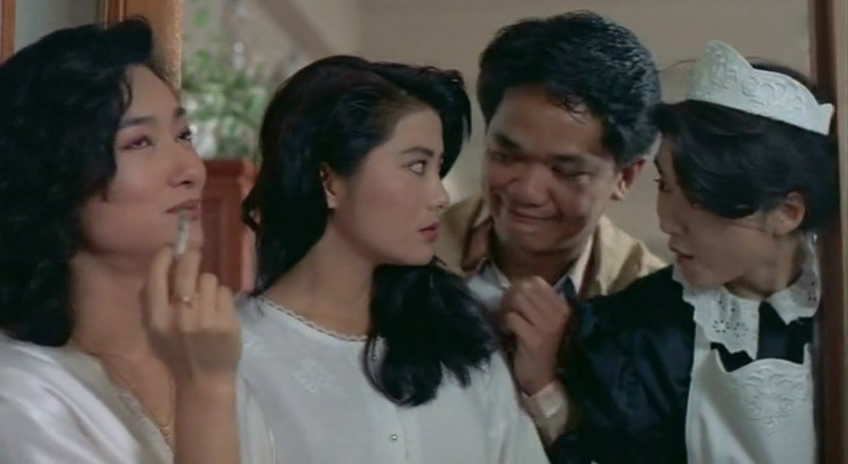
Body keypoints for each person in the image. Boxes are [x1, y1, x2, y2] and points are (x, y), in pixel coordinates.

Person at [237, 55, 549, 463]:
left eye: (438, 168)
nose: (440, 197)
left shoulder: (458, 337)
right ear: (329, 180)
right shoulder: (234, 353)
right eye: (417, 166)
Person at [0, 19, 274, 463]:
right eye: (140, 142)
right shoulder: (22, 396)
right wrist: (205, 393)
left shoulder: (211, 365)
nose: (191, 170)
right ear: (54, 177)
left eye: (184, 135)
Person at [548, 41, 836, 463]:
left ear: (787, 213)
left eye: (698, 198)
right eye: (665, 185)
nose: (667, 219)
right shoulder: (633, 332)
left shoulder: (837, 317)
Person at [434, 10, 666, 443]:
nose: (527, 191)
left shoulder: (649, 306)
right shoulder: (411, 253)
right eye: (506, 155)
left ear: (626, 177)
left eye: (566, 171)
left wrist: (546, 394)